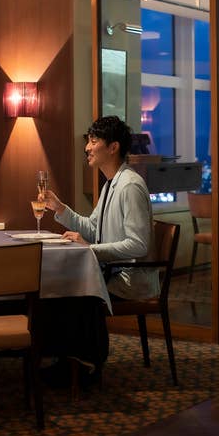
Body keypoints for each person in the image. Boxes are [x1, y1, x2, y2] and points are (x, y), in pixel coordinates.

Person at [44, 115, 159, 301]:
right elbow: (93, 228)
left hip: (128, 281)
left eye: (93, 141)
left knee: (61, 294)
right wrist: (60, 208)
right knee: (56, 286)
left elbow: (138, 245)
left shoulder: (130, 185)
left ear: (113, 147)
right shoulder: (110, 184)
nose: (87, 148)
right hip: (111, 273)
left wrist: (91, 248)